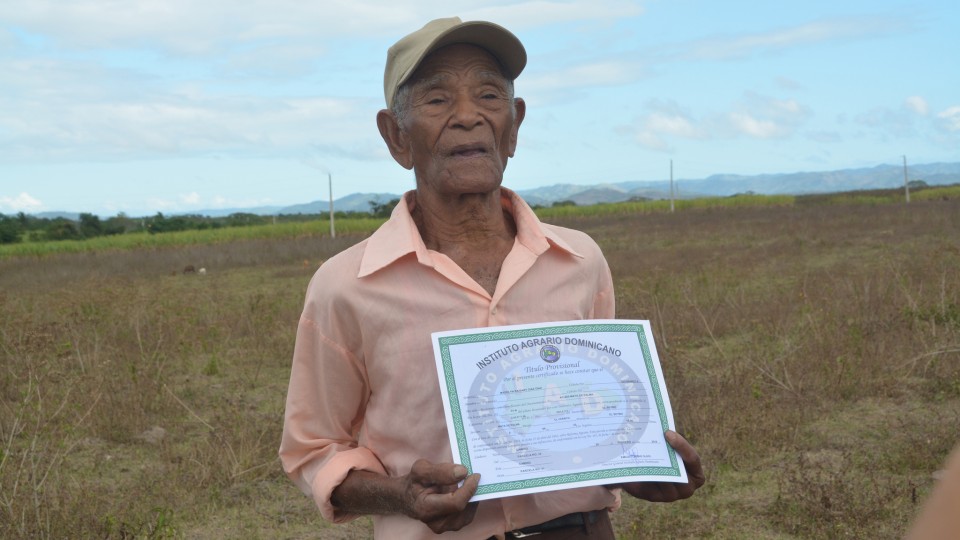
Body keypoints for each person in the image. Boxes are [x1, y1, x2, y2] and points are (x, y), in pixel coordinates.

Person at [279, 17, 705, 539]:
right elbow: (313, 449)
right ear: (396, 136)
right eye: (437, 100)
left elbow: (598, 415)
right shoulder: (345, 285)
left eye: (489, 95)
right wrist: (401, 497)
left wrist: (641, 463)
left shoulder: (579, 260)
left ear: (515, 125)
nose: (468, 117)